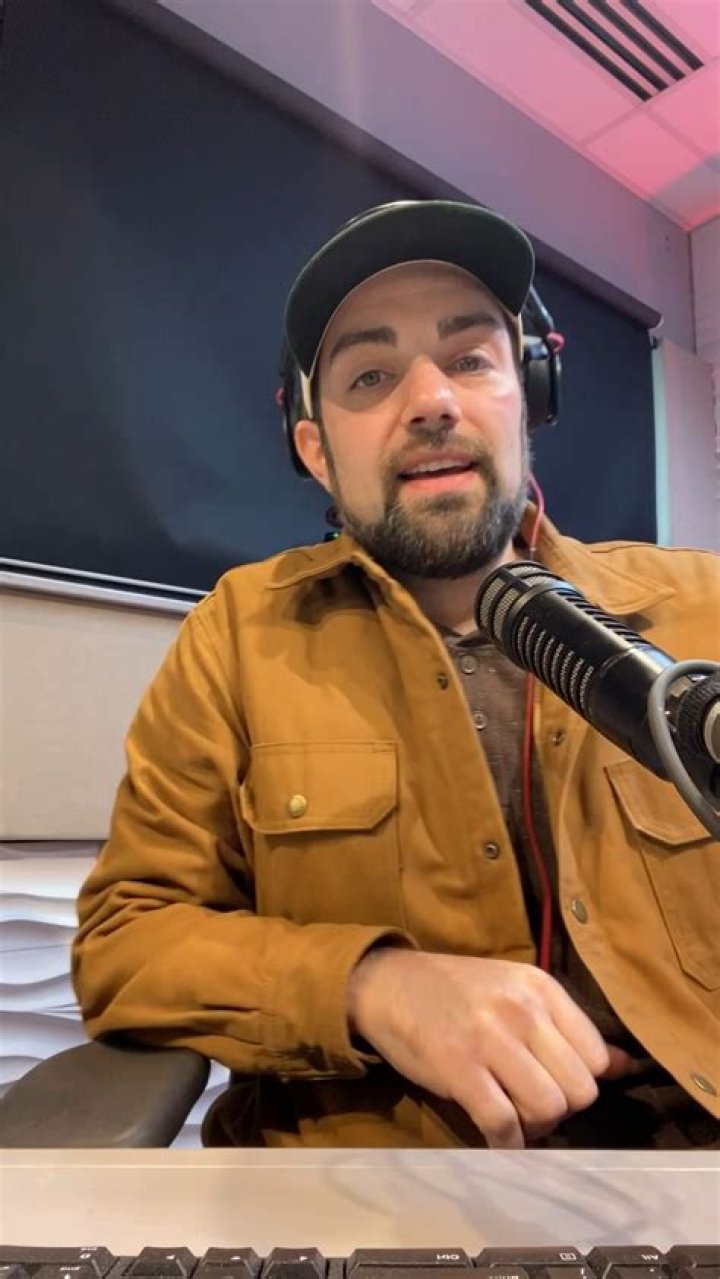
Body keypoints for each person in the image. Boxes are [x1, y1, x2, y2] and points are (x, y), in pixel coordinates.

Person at [73, 199, 720, 1150]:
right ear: (315, 449)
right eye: (372, 375)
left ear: (527, 398)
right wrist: (371, 984)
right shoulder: (238, 637)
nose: (432, 401)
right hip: (373, 1192)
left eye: (470, 359)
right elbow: (125, 943)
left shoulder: (701, 606)